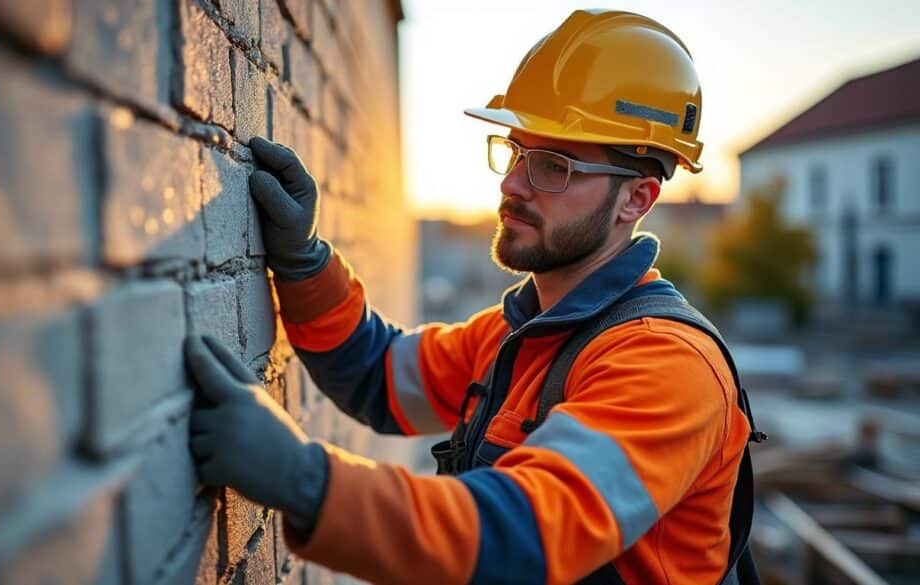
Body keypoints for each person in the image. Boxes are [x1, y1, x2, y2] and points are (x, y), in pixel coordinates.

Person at [185, 9, 764, 585]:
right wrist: (304, 262)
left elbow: (520, 538)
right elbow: (380, 376)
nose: (512, 183)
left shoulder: (665, 365)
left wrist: (305, 480)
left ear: (636, 200)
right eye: (515, 151)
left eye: (553, 165)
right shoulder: (523, 333)